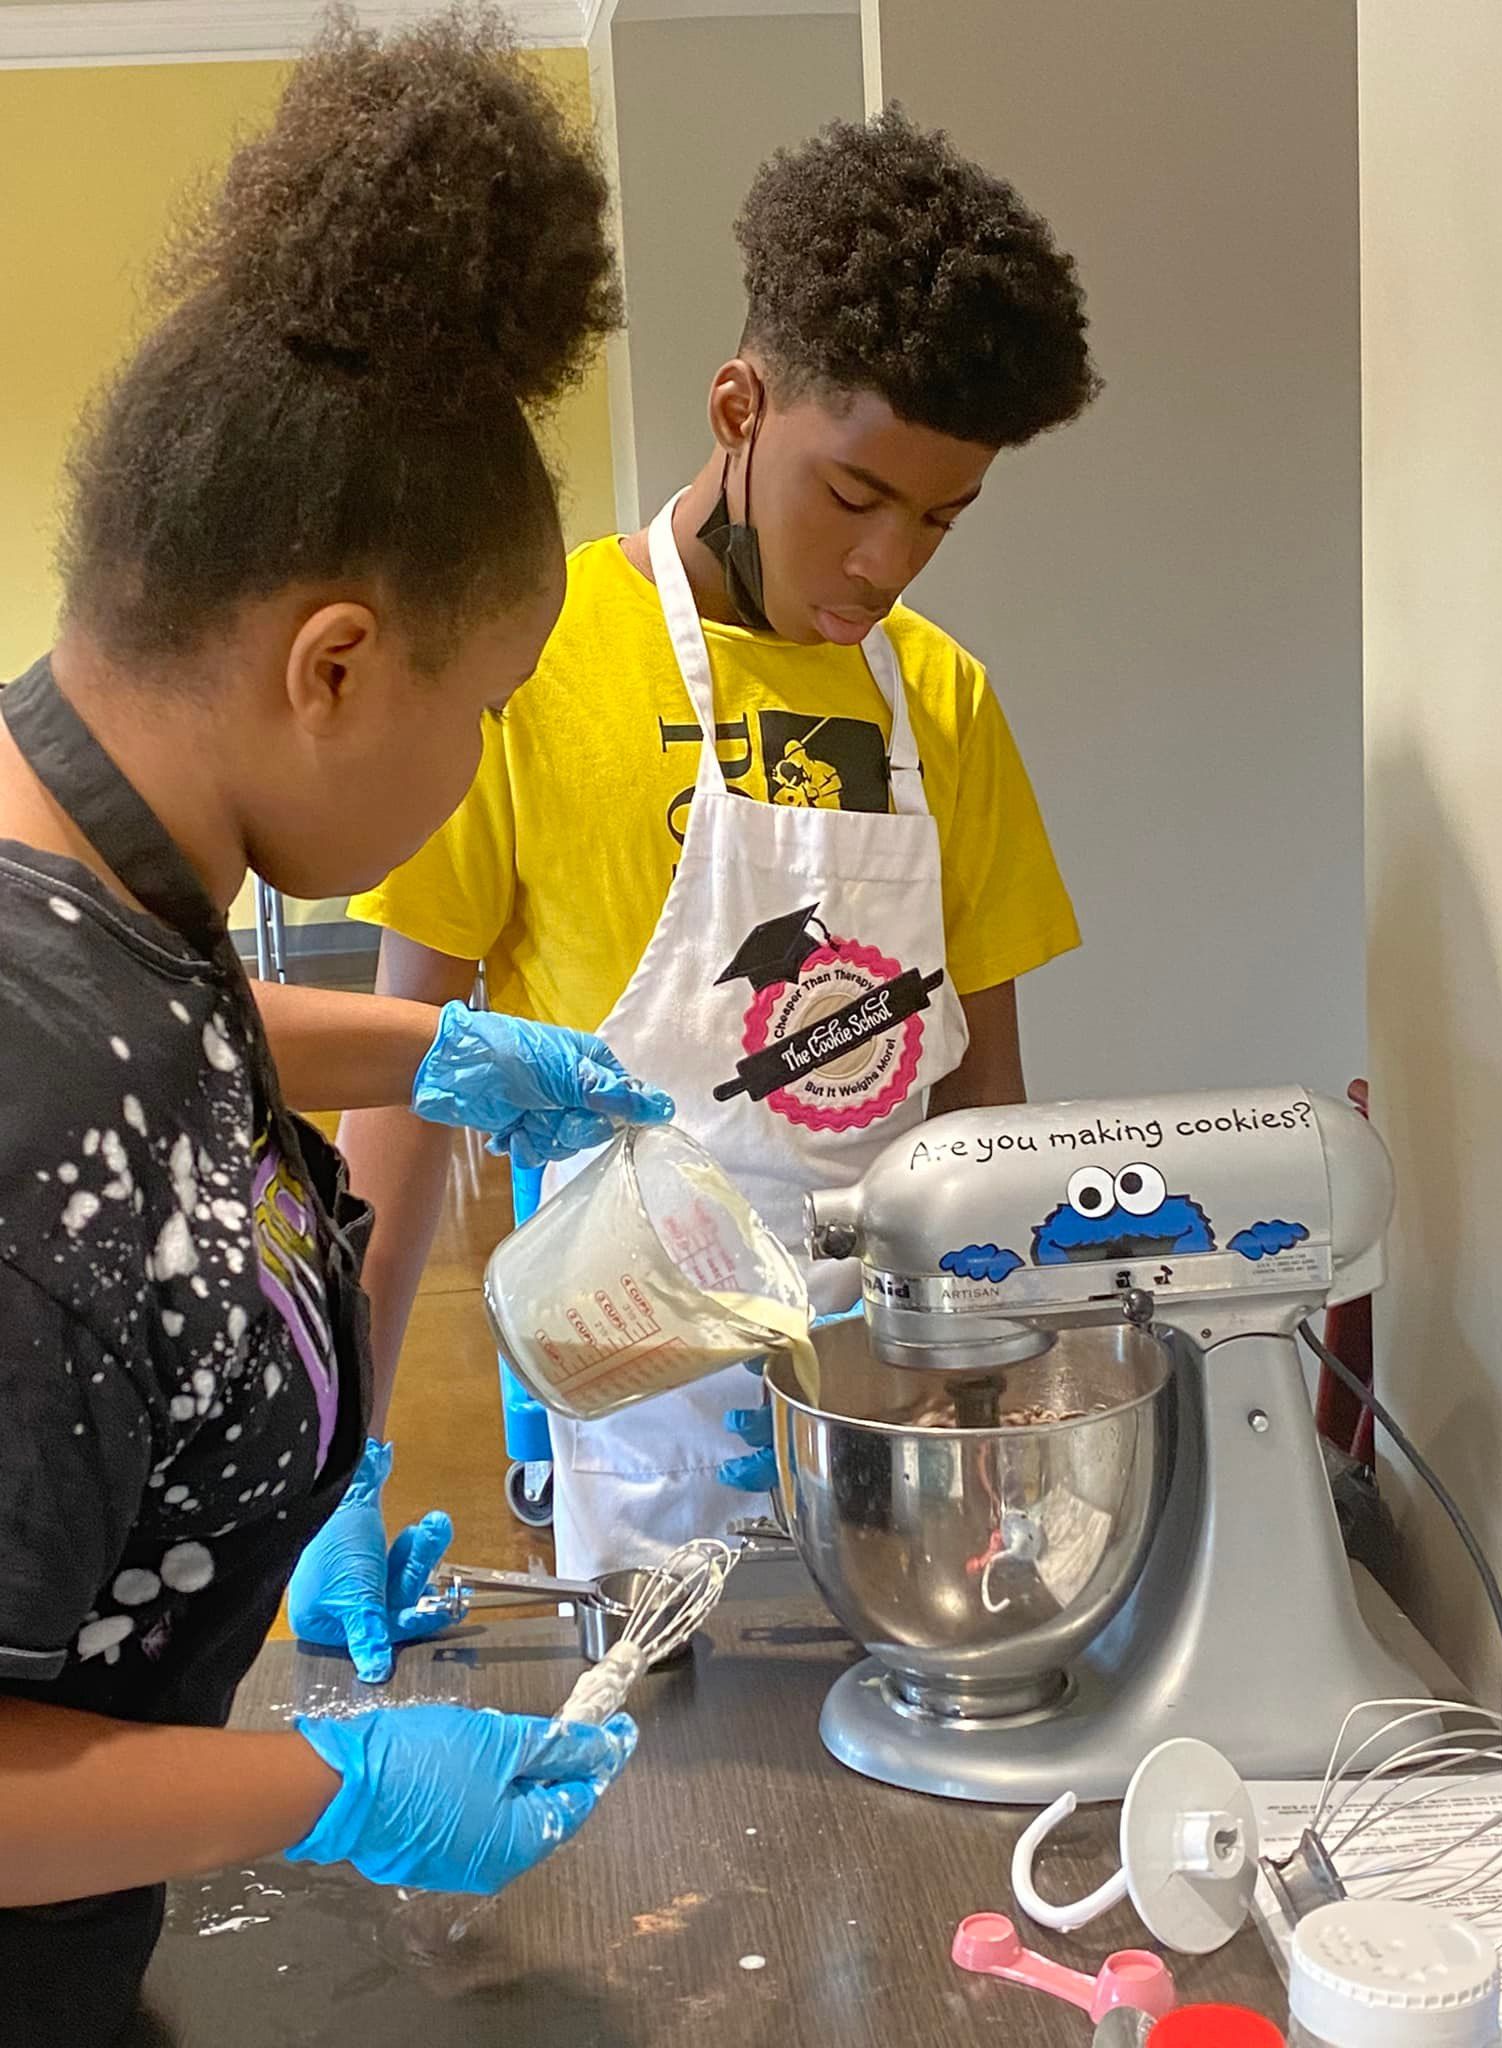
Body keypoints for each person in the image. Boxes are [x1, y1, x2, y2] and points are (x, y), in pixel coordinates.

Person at [0, 16, 668, 2042]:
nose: (477, 766)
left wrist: (427, 1058)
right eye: (486, 713)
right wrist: (336, 1783)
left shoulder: (90, 873)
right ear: (336, 666)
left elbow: (160, 1058)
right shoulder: (27, 1116)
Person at [345, 108, 1100, 1581]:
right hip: (642, 1403)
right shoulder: (537, 659)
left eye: (941, 520)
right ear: (740, 407)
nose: (886, 564)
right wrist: (347, 1462)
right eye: (855, 496)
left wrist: (989, 1398)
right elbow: (402, 1084)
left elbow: (984, 1105)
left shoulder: (941, 700)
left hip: (889, 1407)